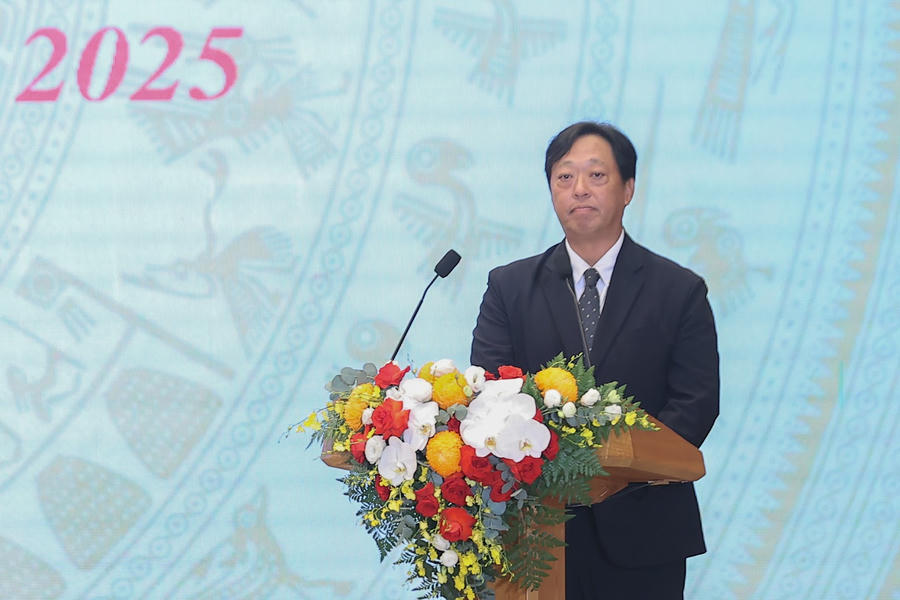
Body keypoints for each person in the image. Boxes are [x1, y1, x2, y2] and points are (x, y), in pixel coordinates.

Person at [471, 121, 719, 599]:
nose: (579, 189)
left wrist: (609, 473)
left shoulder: (679, 290)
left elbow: (696, 404)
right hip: (532, 533)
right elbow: (490, 395)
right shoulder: (509, 286)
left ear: (628, 189)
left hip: (645, 529)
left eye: (596, 175)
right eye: (564, 177)